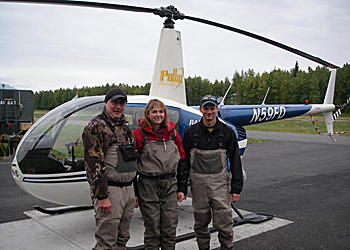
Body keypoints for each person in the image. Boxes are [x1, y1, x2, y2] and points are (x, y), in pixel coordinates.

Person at [180, 95, 244, 250]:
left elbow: (236, 160)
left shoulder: (227, 132)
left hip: (220, 186)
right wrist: (181, 188)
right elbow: (183, 162)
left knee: (224, 225)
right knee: (200, 225)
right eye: (206, 108)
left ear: (217, 109)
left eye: (212, 108)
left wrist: (236, 188)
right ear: (200, 109)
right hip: (199, 187)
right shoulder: (191, 133)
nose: (209, 112)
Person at [82, 87, 138, 250]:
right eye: (114, 102)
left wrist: (135, 191)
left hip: (128, 190)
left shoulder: (125, 127)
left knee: (123, 237)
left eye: (122, 103)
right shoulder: (96, 126)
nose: (118, 107)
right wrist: (102, 196)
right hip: (110, 191)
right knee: (106, 240)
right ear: (106, 103)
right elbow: (94, 164)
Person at [133, 99, 187, 250]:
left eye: (161, 111)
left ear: (165, 114)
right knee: (152, 228)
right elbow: (131, 166)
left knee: (169, 227)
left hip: (170, 184)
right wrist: (135, 193)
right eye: (154, 112)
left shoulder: (173, 134)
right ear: (148, 114)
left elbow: (182, 160)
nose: (158, 115)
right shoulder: (138, 135)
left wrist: (182, 188)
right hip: (147, 185)